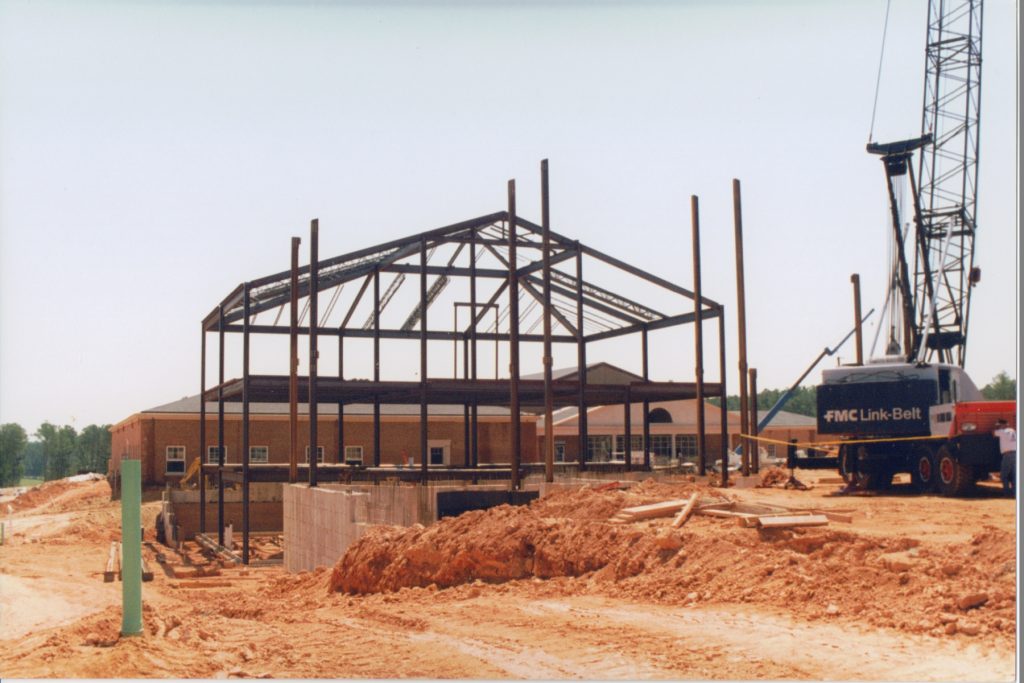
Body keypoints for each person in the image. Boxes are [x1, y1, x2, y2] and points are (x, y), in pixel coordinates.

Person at [993, 418, 1016, 496]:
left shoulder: (1002, 432)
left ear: (1003, 425)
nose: (999, 427)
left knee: (1004, 476)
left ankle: (1007, 493)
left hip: (1008, 455)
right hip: (1015, 454)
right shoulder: (1012, 431)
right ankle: (1015, 493)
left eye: (1000, 425)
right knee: (1014, 475)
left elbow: (993, 433)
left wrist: (996, 427)